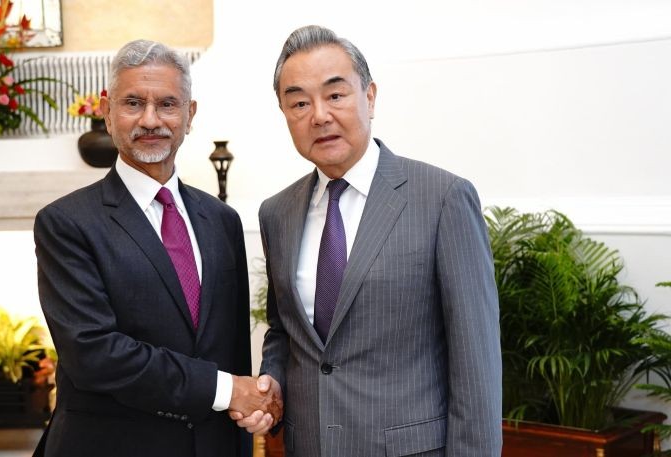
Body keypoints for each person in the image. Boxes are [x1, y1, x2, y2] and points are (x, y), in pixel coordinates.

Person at [232, 25, 502, 456]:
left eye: (335, 95)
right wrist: (273, 382)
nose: (319, 115)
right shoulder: (277, 213)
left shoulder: (442, 199)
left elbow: (476, 365)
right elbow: (285, 331)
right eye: (299, 102)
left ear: (369, 97)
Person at [33, 39, 279, 457]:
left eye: (167, 104)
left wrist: (248, 408)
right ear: (107, 112)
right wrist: (226, 390)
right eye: (133, 103)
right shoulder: (66, 223)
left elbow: (231, 350)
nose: (150, 120)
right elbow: (94, 355)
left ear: (189, 115)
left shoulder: (222, 220)